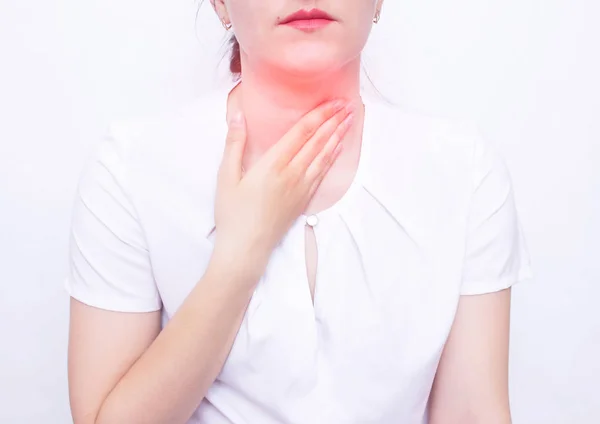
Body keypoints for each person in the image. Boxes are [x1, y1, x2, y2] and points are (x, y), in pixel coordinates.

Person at [65, 1, 533, 423]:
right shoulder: (130, 168)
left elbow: (472, 412)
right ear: (220, 4)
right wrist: (238, 257)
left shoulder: (463, 171)